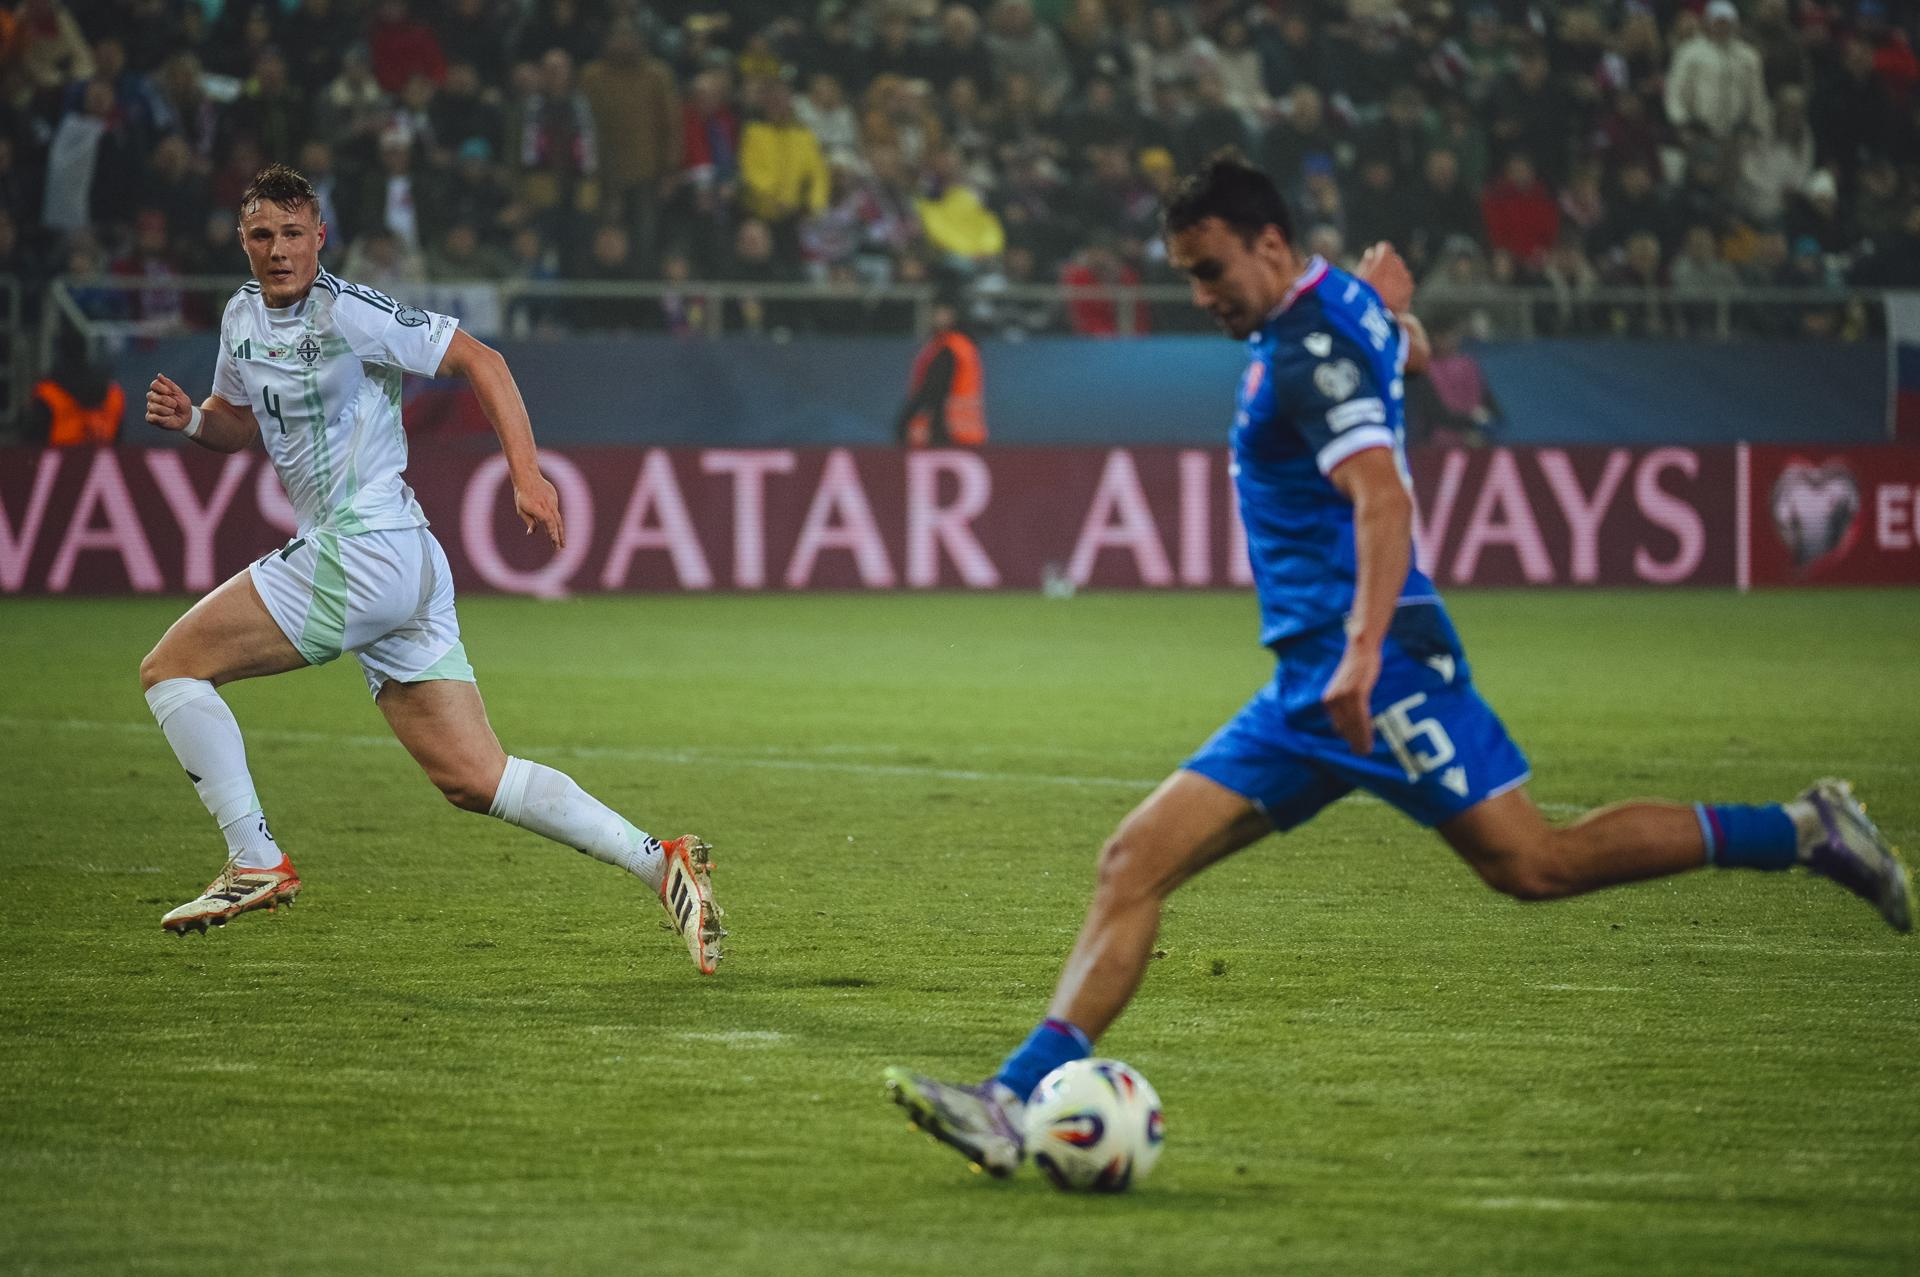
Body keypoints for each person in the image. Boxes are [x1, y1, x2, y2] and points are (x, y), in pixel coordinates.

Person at [882, 156, 1910, 1178]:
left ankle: (1806, 829)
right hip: (1307, 684)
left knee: (1535, 863)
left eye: (1209, 271)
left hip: (1370, 669)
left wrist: (1365, 652)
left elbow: (1382, 497)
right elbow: (1391, 339)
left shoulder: (1309, 346)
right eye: (1187, 275)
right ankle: (1011, 1102)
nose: (1199, 297)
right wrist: (1389, 316)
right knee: (1132, 860)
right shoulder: (1339, 310)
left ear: (1270, 246)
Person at [138, 165, 725, 975]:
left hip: (366, 544)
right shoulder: (241, 317)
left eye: (293, 234)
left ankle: (254, 860)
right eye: (263, 235)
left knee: (171, 668)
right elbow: (240, 421)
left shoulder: (352, 311)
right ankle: (661, 862)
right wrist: (196, 420)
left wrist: (527, 473)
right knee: (473, 776)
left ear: (320, 238)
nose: (279, 250)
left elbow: (482, 361)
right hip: (398, 561)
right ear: (244, 240)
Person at [894, 293, 986, 447]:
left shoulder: (949, 347)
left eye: (940, 311)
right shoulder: (960, 345)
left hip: (946, 431)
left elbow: (935, 389)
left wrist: (905, 419)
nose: (935, 316)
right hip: (967, 431)